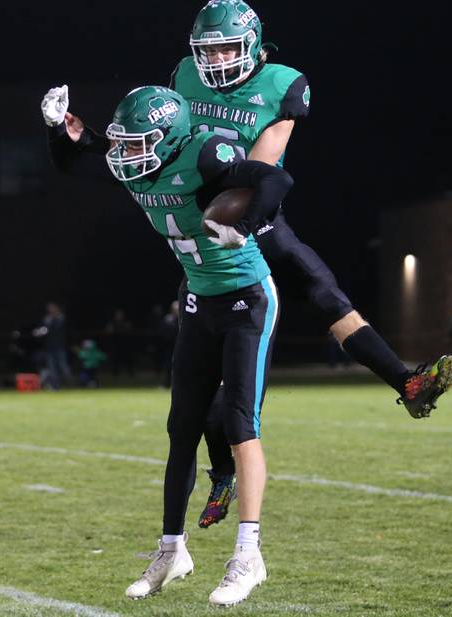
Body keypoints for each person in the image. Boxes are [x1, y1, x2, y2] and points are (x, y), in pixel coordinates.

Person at [173, 0, 452, 533]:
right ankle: (220, 475)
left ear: (254, 45)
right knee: (215, 387)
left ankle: (406, 381)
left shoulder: (283, 84)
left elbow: (262, 164)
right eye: (207, 49)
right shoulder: (185, 78)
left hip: (249, 207)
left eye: (226, 47)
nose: (215, 59)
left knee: (320, 288)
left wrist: (245, 215)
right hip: (201, 229)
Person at [42, 84, 291, 605]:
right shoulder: (136, 155)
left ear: (172, 138)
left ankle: (249, 555)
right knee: (181, 428)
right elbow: (79, 158)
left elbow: (274, 178)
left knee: (241, 425)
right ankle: (172, 550)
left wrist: (242, 225)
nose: (127, 155)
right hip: (200, 301)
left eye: (138, 144)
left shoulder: (207, 152)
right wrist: (60, 129)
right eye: (124, 144)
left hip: (247, 298)